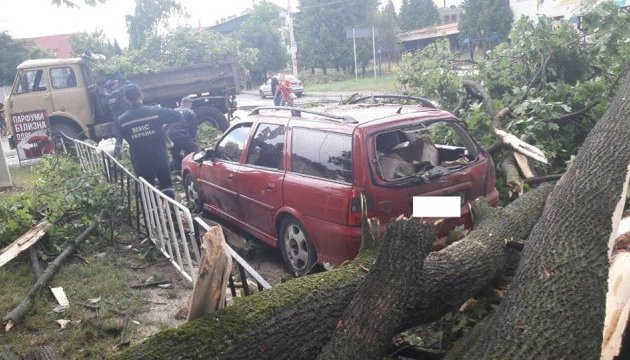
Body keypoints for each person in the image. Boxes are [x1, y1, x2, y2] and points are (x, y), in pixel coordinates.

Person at [116, 84, 183, 198]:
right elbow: (178, 116)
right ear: (141, 94)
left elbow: (123, 138)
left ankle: (154, 213)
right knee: (167, 187)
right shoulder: (155, 111)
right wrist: (165, 128)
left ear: (126, 99)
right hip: (159, 157)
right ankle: (172, 213)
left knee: (148, 192)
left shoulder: (121, 120)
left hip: (140, 161)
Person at [167, 96, 199, 172]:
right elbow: (193, 130)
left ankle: (176, 171)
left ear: (181, 103)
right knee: (195, 152)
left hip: (171, 138)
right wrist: (192, 140)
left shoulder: (173, 111)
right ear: (190, 104)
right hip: (183, 136)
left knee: (176, 157)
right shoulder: (190, 112)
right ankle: (192, 170)